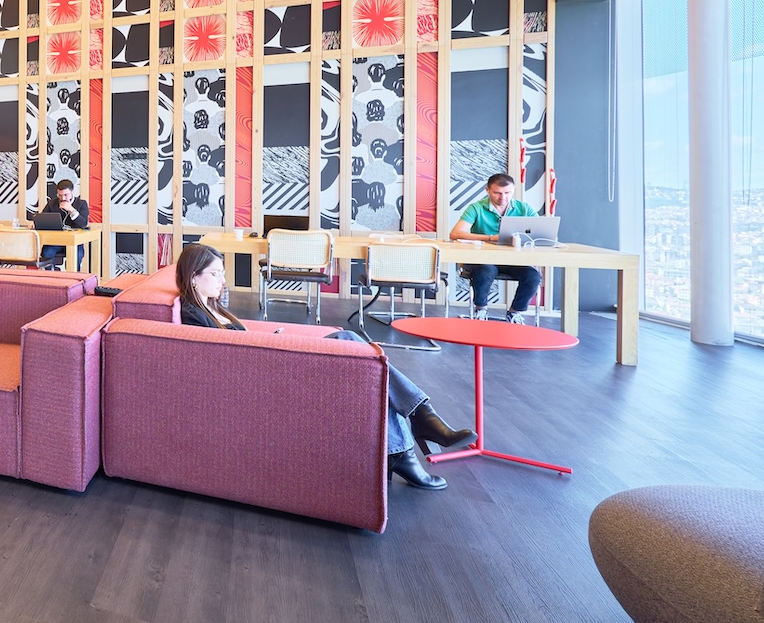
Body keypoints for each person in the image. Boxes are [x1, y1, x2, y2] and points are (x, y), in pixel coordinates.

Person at [175, 242, 476, 490]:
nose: (223, 280)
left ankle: (408, 442)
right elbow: (220, 359)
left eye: (222, 273)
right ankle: (420, 422)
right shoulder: (193, 316)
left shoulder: (212, 307)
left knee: (363, 359)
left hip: (269, 363)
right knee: (353, 344)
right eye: (215, 274)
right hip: (266, 379)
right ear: (193, 277)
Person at [449, 172, 542, 321]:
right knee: (485, 271)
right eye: (497, 193)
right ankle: (481, 310)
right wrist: (490, 238)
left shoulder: (523, 208)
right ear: (487, 190)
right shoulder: (476, 208)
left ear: (513, 190)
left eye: (507, 193)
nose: (503, 197)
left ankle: (514, 312)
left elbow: (540, 231)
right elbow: (455, 234)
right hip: (484, 260)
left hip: (514, 261)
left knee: (533, 276)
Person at [38, 179, 89, 270]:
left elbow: (83, 223)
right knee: (46, 253)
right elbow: (42, 218)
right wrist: (37, 224)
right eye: (60, 195)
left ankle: (73, 277)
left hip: (75, 242)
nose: (63, 198)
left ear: (72, 192)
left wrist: (71, 210)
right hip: (55, 241)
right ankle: (51, 277)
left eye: (66, 195)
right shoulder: (52, 203)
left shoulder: (81, 204)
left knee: (77, 255)